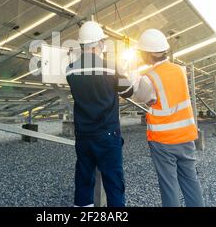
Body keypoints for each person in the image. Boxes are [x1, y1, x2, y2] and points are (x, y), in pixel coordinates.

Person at [130, 28, 205, 207]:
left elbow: (141, 97)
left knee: (169, 186)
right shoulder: (180, 70)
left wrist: (135, 79)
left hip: (163, 141)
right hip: (186, 137)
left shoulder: (149, 77)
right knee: (191, 182)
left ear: (147, 55)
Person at [66, 21, 133, 207]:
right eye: (103, 42)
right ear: (98, 44)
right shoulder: (112, 67)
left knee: (84, 181)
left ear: (82, 45)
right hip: (107, 135)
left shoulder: (70, 69)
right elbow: (128, 92)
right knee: (113, 184)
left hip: (84, 135)